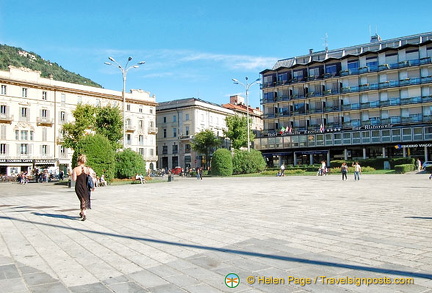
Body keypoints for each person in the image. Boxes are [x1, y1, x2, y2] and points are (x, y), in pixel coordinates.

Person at [72, 154, 92, 221]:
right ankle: (83, 212)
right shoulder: (87, 169)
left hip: (78, 186)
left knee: (81, 199)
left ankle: (83, 213)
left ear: (78, 161)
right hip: (85, 186)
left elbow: (74, 179)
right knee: (83, 199)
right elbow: (90, 177)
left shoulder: (76, 169)